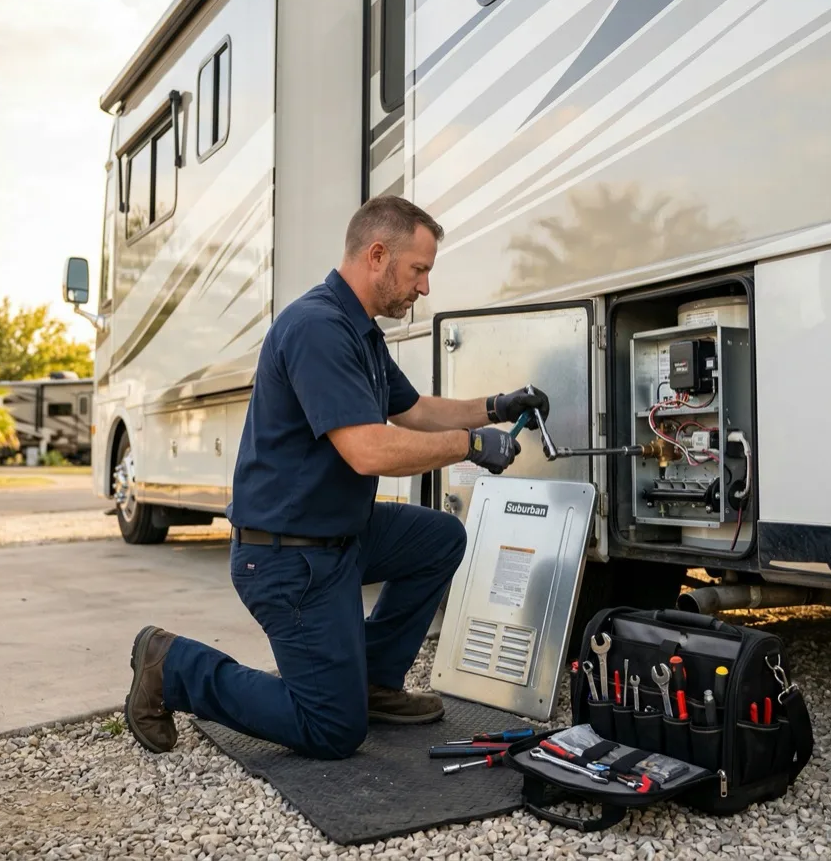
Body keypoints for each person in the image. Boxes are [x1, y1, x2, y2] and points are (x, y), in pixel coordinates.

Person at [122, 195, 552, 759]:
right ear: (377, 254)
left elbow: (414, 410)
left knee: (439, 538)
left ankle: (372, 681)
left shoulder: (359, 331)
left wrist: (495, 406)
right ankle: (173, 664)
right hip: (287, 559)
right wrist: (470, 446)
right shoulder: (317, 328)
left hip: (340, 537)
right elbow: (369, 451)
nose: (424, 287)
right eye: (419, 270)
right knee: (331, 730)